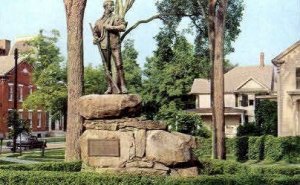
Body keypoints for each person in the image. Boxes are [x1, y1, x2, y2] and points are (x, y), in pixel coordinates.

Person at [93, 0, 127, 94]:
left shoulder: (116, 18)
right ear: (106, 7)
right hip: (104, 45)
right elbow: (95, 33)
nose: (113, 7)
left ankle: (123, 86)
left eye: (113, 5)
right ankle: (109, 87)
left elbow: (123, 27)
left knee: (119, 65)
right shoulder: (99, 21)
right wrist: (95, 39)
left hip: (115, 44)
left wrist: (111, 28)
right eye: (111, 5)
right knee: (106, 68)